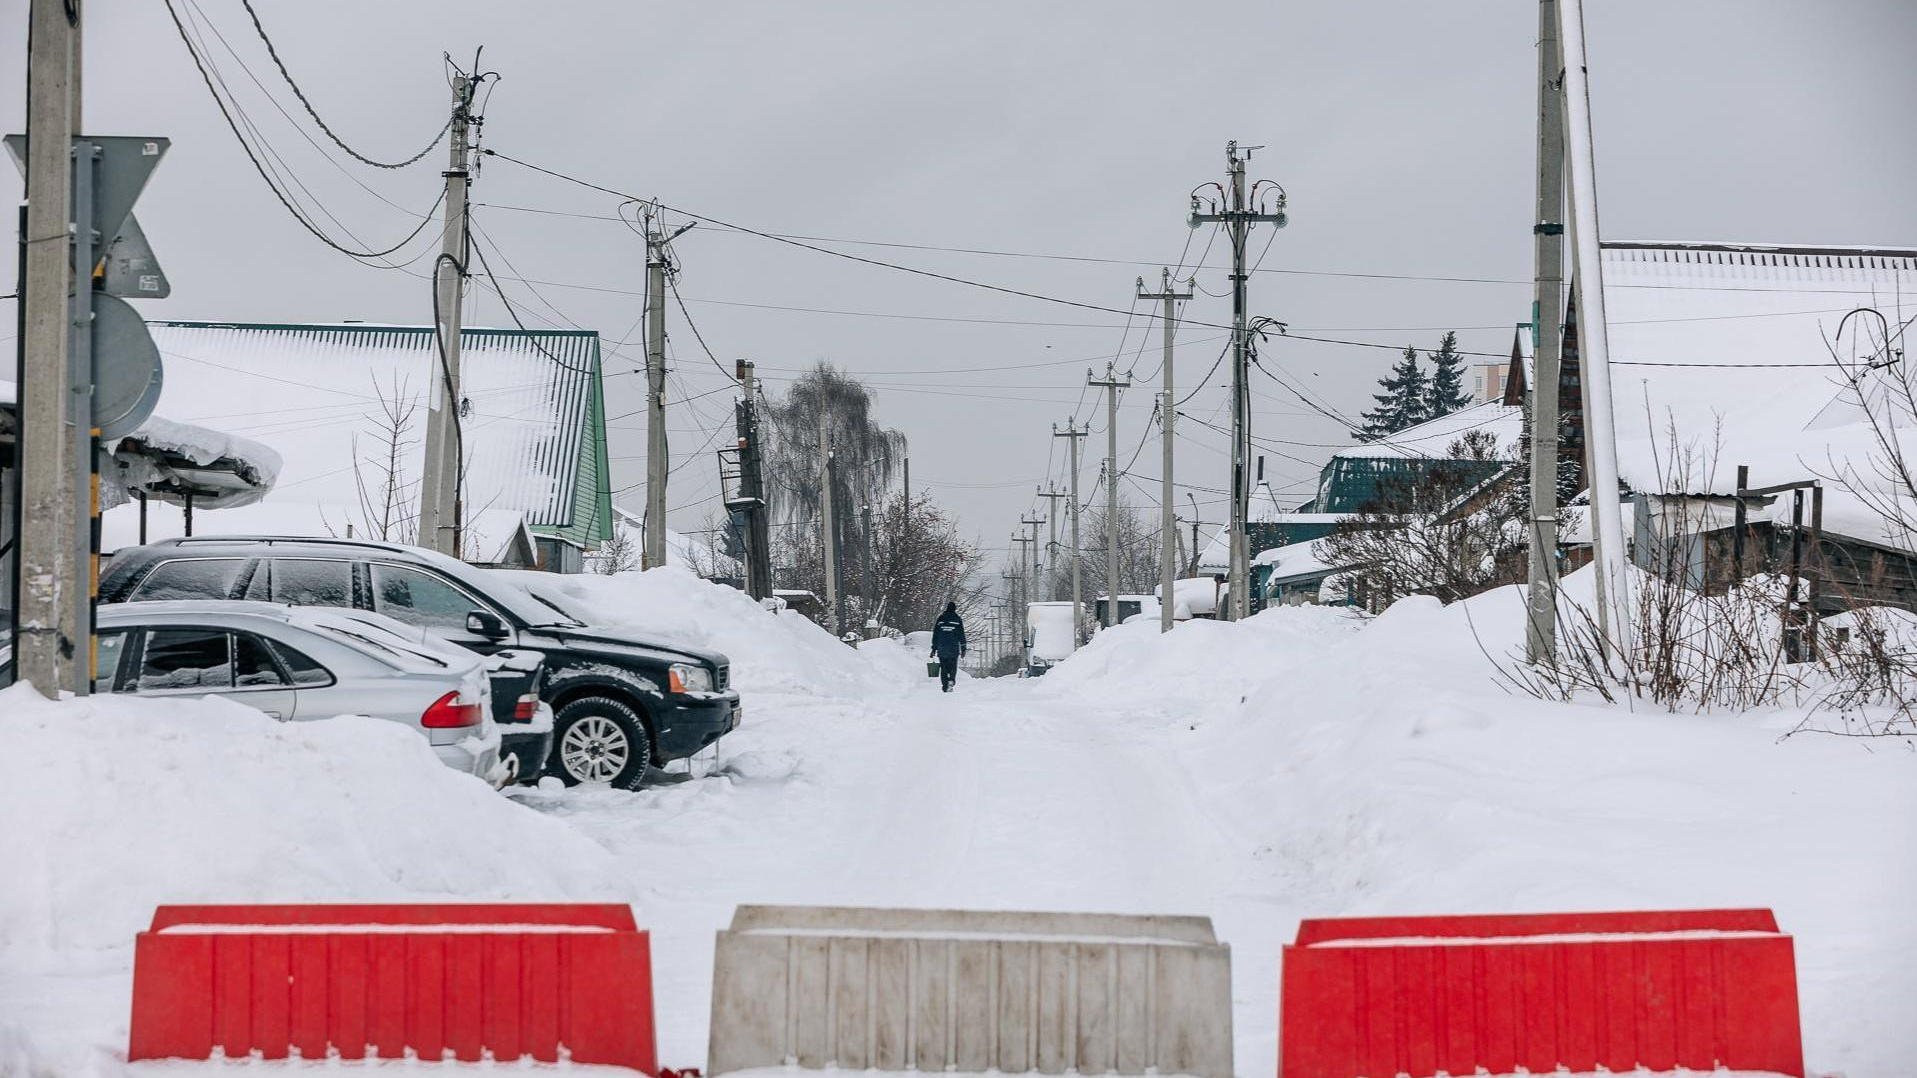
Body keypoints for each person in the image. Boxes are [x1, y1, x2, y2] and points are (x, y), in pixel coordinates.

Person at [929, 601, 967, 692]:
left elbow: (936, 634)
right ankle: (951, 680)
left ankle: (945, 685)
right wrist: (963, 649)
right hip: (953, 648)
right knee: (953, 667)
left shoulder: (941, 619)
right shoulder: (957, 619)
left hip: (942, 648)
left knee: (944, 668)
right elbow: (961, 635)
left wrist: (934, 649)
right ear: (954, 609)